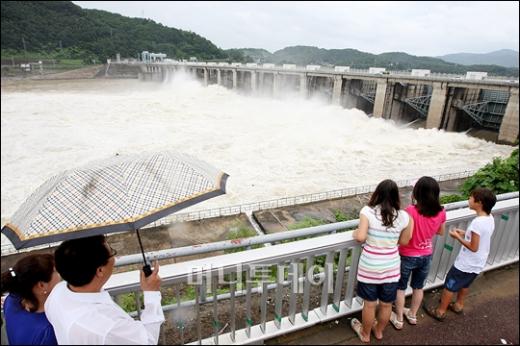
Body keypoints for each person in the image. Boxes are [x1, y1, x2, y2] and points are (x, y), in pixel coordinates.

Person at [45, 235, 165, 344]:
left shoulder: (57, 293)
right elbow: (148, 341)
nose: (115, 257)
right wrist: (151, 294)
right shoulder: (108, 326)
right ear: (100, 270)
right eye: (112, 252)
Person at [350, 179, 413, 343]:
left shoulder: (367, 212)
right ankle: (378, 332)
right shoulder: (405, 216)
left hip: (369, 267)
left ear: (377, 193)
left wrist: (355, 233)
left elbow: (361, 237)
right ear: (396, 196)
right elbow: (405, 241)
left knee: (369, 305)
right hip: (391, 268)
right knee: (386, 305)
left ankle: (365, 334)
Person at [423, 188, 497, 321]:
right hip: (478, 262)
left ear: (479, 203)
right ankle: (458, 305)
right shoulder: (489, 218)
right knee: (465, 284)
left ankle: (440, 311)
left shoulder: (477, 223)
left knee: (449, 286)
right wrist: (465, 233)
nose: (469, 199)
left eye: (471, 197)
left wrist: (457, 237)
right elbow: (480, 237)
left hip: (466, 263)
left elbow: (473, 247)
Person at [389, 176, 446, 329]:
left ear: (416, 193)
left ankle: (399, 318)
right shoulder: (441, 212)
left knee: (400, 287)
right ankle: (412, 315)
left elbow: (402, 235)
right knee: (418, 287)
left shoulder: (410, 211)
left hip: (407, 255)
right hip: (426, 255)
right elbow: (441, 231)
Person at [1, 254, 61, 345]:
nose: (60, 274)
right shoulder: (48, 331)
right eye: (56, 271)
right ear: (41, 285)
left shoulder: (11, 301)